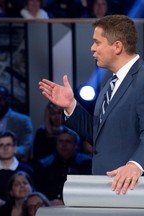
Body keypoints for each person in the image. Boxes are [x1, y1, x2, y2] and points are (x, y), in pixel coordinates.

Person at [39, 14, 144, 195]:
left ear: (117, 46)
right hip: (108, 186)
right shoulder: (110, 84)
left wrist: (136, 165)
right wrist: (71, 106)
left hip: (133, 188)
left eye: (97, 42)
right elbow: (99, 136)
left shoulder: (142, 78)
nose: (92, 48)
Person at [34, 126, 92, 203]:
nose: (64, 145)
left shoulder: (86, 163)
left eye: (68, 141)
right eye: (60, 141)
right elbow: (39, 192)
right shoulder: (44, 165)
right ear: (56, 143)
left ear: (76, 144)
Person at [0, 130, 33, 211]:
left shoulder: (27, 170)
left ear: (15, 148)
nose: (5, 148)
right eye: (1, 145)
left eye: (8, 145)